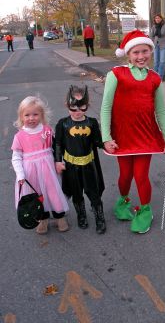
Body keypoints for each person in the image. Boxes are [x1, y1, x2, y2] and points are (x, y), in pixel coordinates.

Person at [100, 29, 165, 234]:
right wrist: (106, 137)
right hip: (122, 136)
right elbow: (106, 107)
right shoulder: (116, 74)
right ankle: (123, 203)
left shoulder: (155, 78)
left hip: (146, 136)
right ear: (128, 54)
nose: (141, 56)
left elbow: (161, 110)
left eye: (145, 51)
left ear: (151, 51)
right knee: (125, 175)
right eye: (136, 52)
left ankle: (144, 211)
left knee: (141, 175)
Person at [11, 96, 69, 234]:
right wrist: (20, 174)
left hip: (48, 169)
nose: (31, 118)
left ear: (42, 115)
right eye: (27, 115)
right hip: (30, 173)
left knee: (53, 192)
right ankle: (42, 218)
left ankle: (59, 216)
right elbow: (16, 157)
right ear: (21, 116)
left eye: (35, 114)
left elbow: (56, 148)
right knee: (37, 196)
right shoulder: (19, 136)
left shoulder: (47, 130)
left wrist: (59, 161)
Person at [54, 85, 106, 234]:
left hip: (89, 165)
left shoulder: (91, 123)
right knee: (76, 194)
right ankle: (81, 215)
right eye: (73, 108)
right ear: (67, 106)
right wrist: (58, 160)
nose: (77, 112)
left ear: (87, 106)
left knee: (94, 193)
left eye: (82, 108)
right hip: (71, 167)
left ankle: (99, 218)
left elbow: (97, 141)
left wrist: (107, 145)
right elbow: (58, 144)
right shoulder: (62, 124)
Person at [149, 14, 165, 80]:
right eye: (156, 18)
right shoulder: (154, 26)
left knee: (162, 61)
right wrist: (152, 42)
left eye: (158, 18)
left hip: (163, 45)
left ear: (161, 19)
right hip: (156, 45)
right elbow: (151, 36)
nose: (157, 19)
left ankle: (160, 77)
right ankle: (154, 76)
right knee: (155, 61)